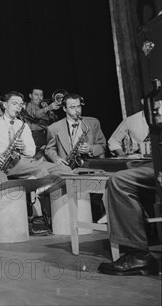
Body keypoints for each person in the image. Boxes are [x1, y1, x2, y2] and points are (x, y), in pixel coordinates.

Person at [98, 97, 161, 276]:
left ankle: (139, 253)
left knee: (119, 182)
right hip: (146, 162)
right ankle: (139, 251)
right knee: (119, 180)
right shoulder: (132, 120)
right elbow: (113, 141)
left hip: (157, 163)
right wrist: (124, 155)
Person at [0, 91, 71, 178]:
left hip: (25, 161)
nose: (17, 107)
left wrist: (23, 147)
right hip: (7, 164)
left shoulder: (22, 125)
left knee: (64, 170)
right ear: (5, 105)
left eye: (20, 105)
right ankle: (41, 197)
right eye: (14, 104)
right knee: (41, 172)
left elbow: (32, 151)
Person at [44, 93, 107, 166]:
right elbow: (49, 149)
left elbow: (103, 146)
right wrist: (56, 158)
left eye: (79, 106)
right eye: (72, 107)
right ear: (65, 108)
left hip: (91, 165)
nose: (77, 110)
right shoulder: (53, 128)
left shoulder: (93, 123)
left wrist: (90, 149)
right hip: (67, 167)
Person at [23, 87, 60, 157]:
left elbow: (54, 119)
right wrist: (48, 108)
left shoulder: (42, 107)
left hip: (45, 136)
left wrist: (49, 111)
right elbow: (36, 115)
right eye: (36, 94)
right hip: (36, 137)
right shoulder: (29, 105)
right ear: (30, 96)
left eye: (41, 95)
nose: (39, 97)